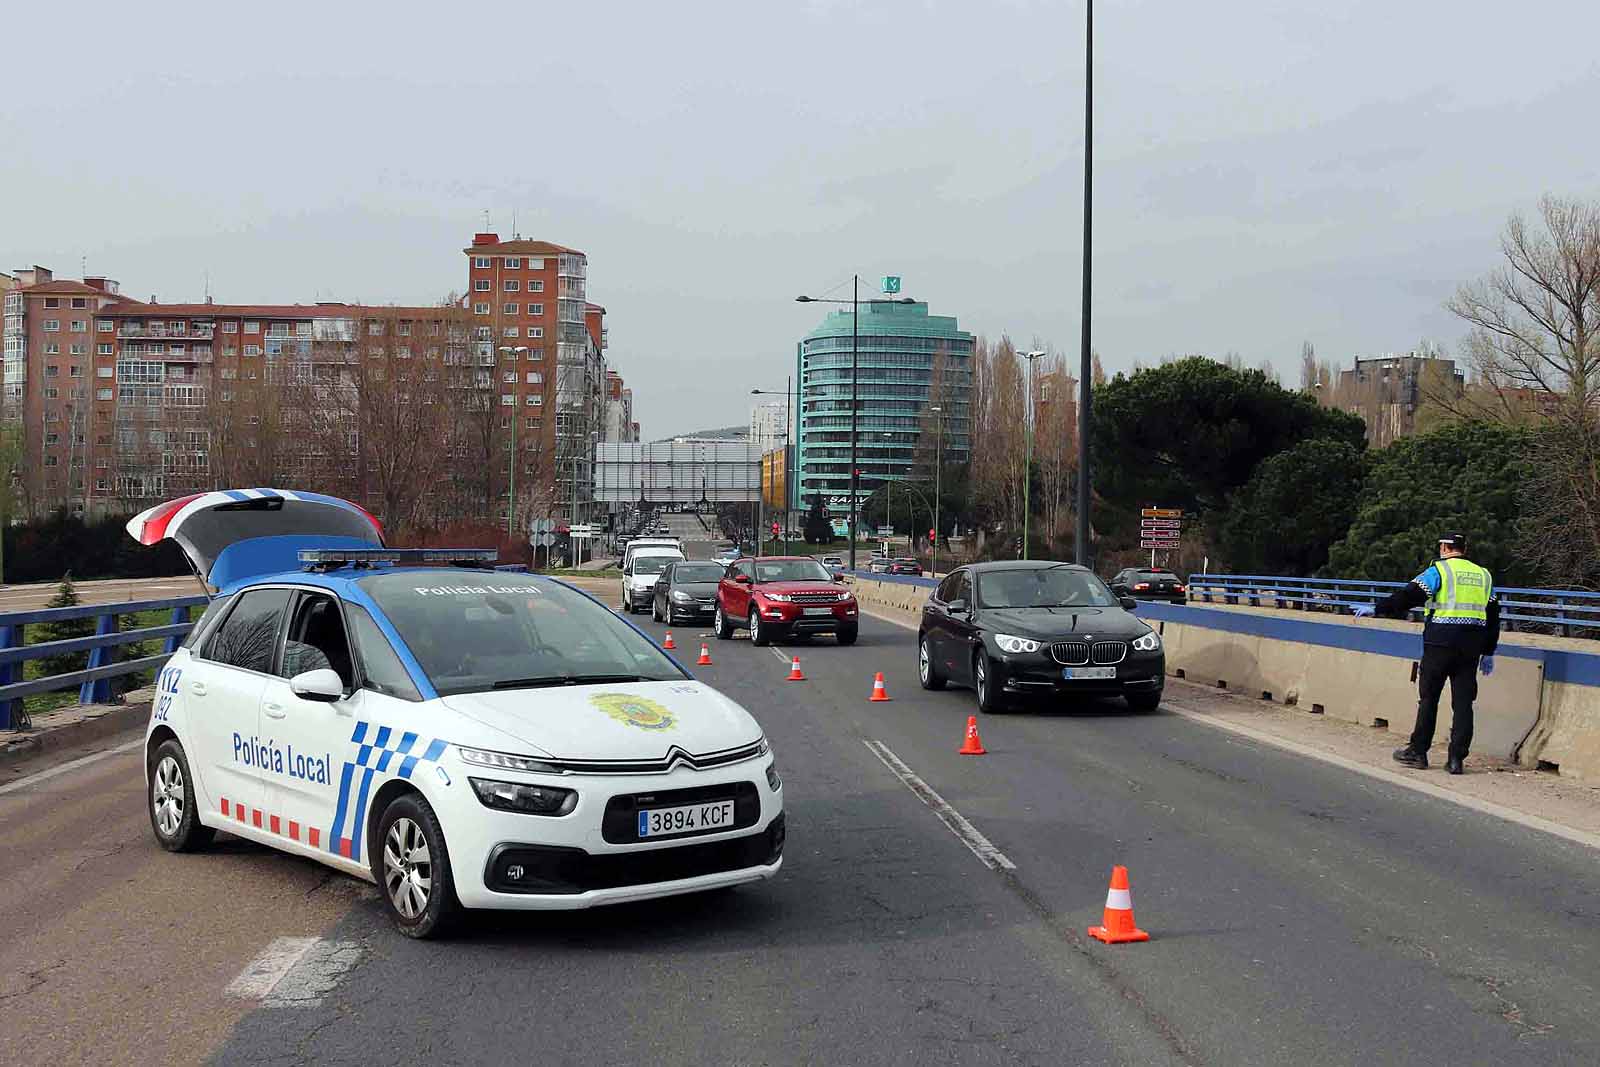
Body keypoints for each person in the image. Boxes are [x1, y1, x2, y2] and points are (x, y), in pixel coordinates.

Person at [1353, 532, 1499, 775]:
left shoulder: (1439, 571)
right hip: (1470, 648)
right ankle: (1456, 760)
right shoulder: (1484, 575)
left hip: (1439, 644)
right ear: (1464, 549)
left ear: (1444, 547)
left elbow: (1409, 596)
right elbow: (1493, 618)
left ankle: (1418, 752)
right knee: (1463, 704)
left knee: (1429, 699)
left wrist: (1377, 609)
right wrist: (1489, 651)